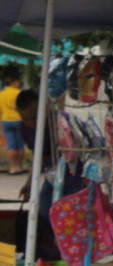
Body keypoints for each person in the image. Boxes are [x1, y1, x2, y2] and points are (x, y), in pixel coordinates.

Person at [16, 89, 84, 261]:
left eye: (34, 117)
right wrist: (29, 184)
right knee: (45, 213)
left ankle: (73, 253)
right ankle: (56, 250)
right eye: (26, 119)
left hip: (73, 176)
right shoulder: (24, 129)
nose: (31, 122)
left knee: (70, 216)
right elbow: (37, 157)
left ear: (44, 107)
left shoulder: (61, 121)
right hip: (52, 177)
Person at [0, 66, 25, 175]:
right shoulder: (19, 93)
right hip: (19, 120)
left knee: (11, 145)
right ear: (14, 82)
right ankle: (19, 167)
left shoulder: (2, 94)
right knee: (20, 145)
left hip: (6, 120)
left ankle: (13, 168)